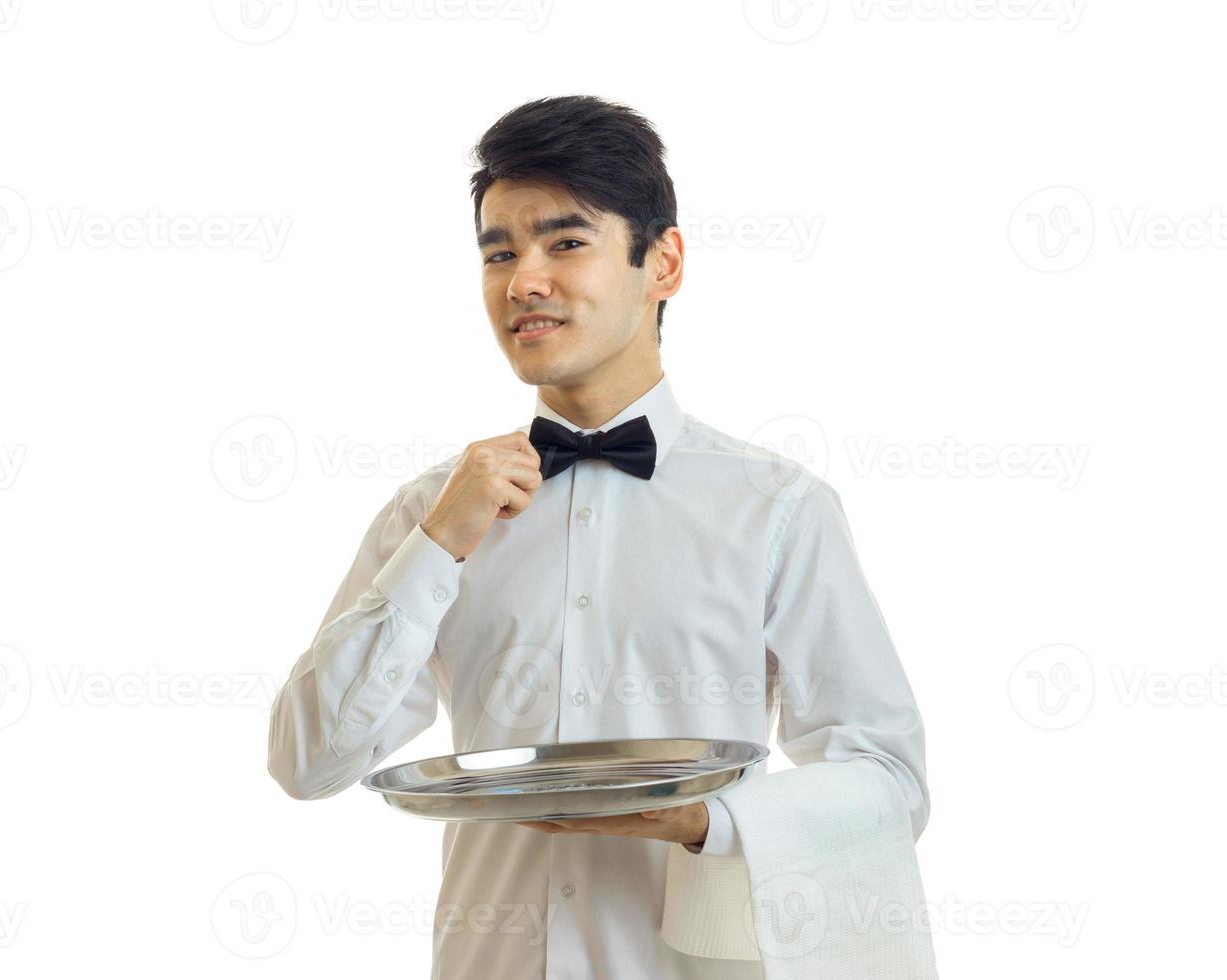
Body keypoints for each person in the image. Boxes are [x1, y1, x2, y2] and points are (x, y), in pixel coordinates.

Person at [267, 94, 930, 979]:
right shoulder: (430, 510)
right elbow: (308, 764)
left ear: (664, 262)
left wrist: (710, 820)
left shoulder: (777, 508)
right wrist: (436, 546)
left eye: (564, 242)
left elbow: (887, 778)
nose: (522, 281)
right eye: (498, 251)